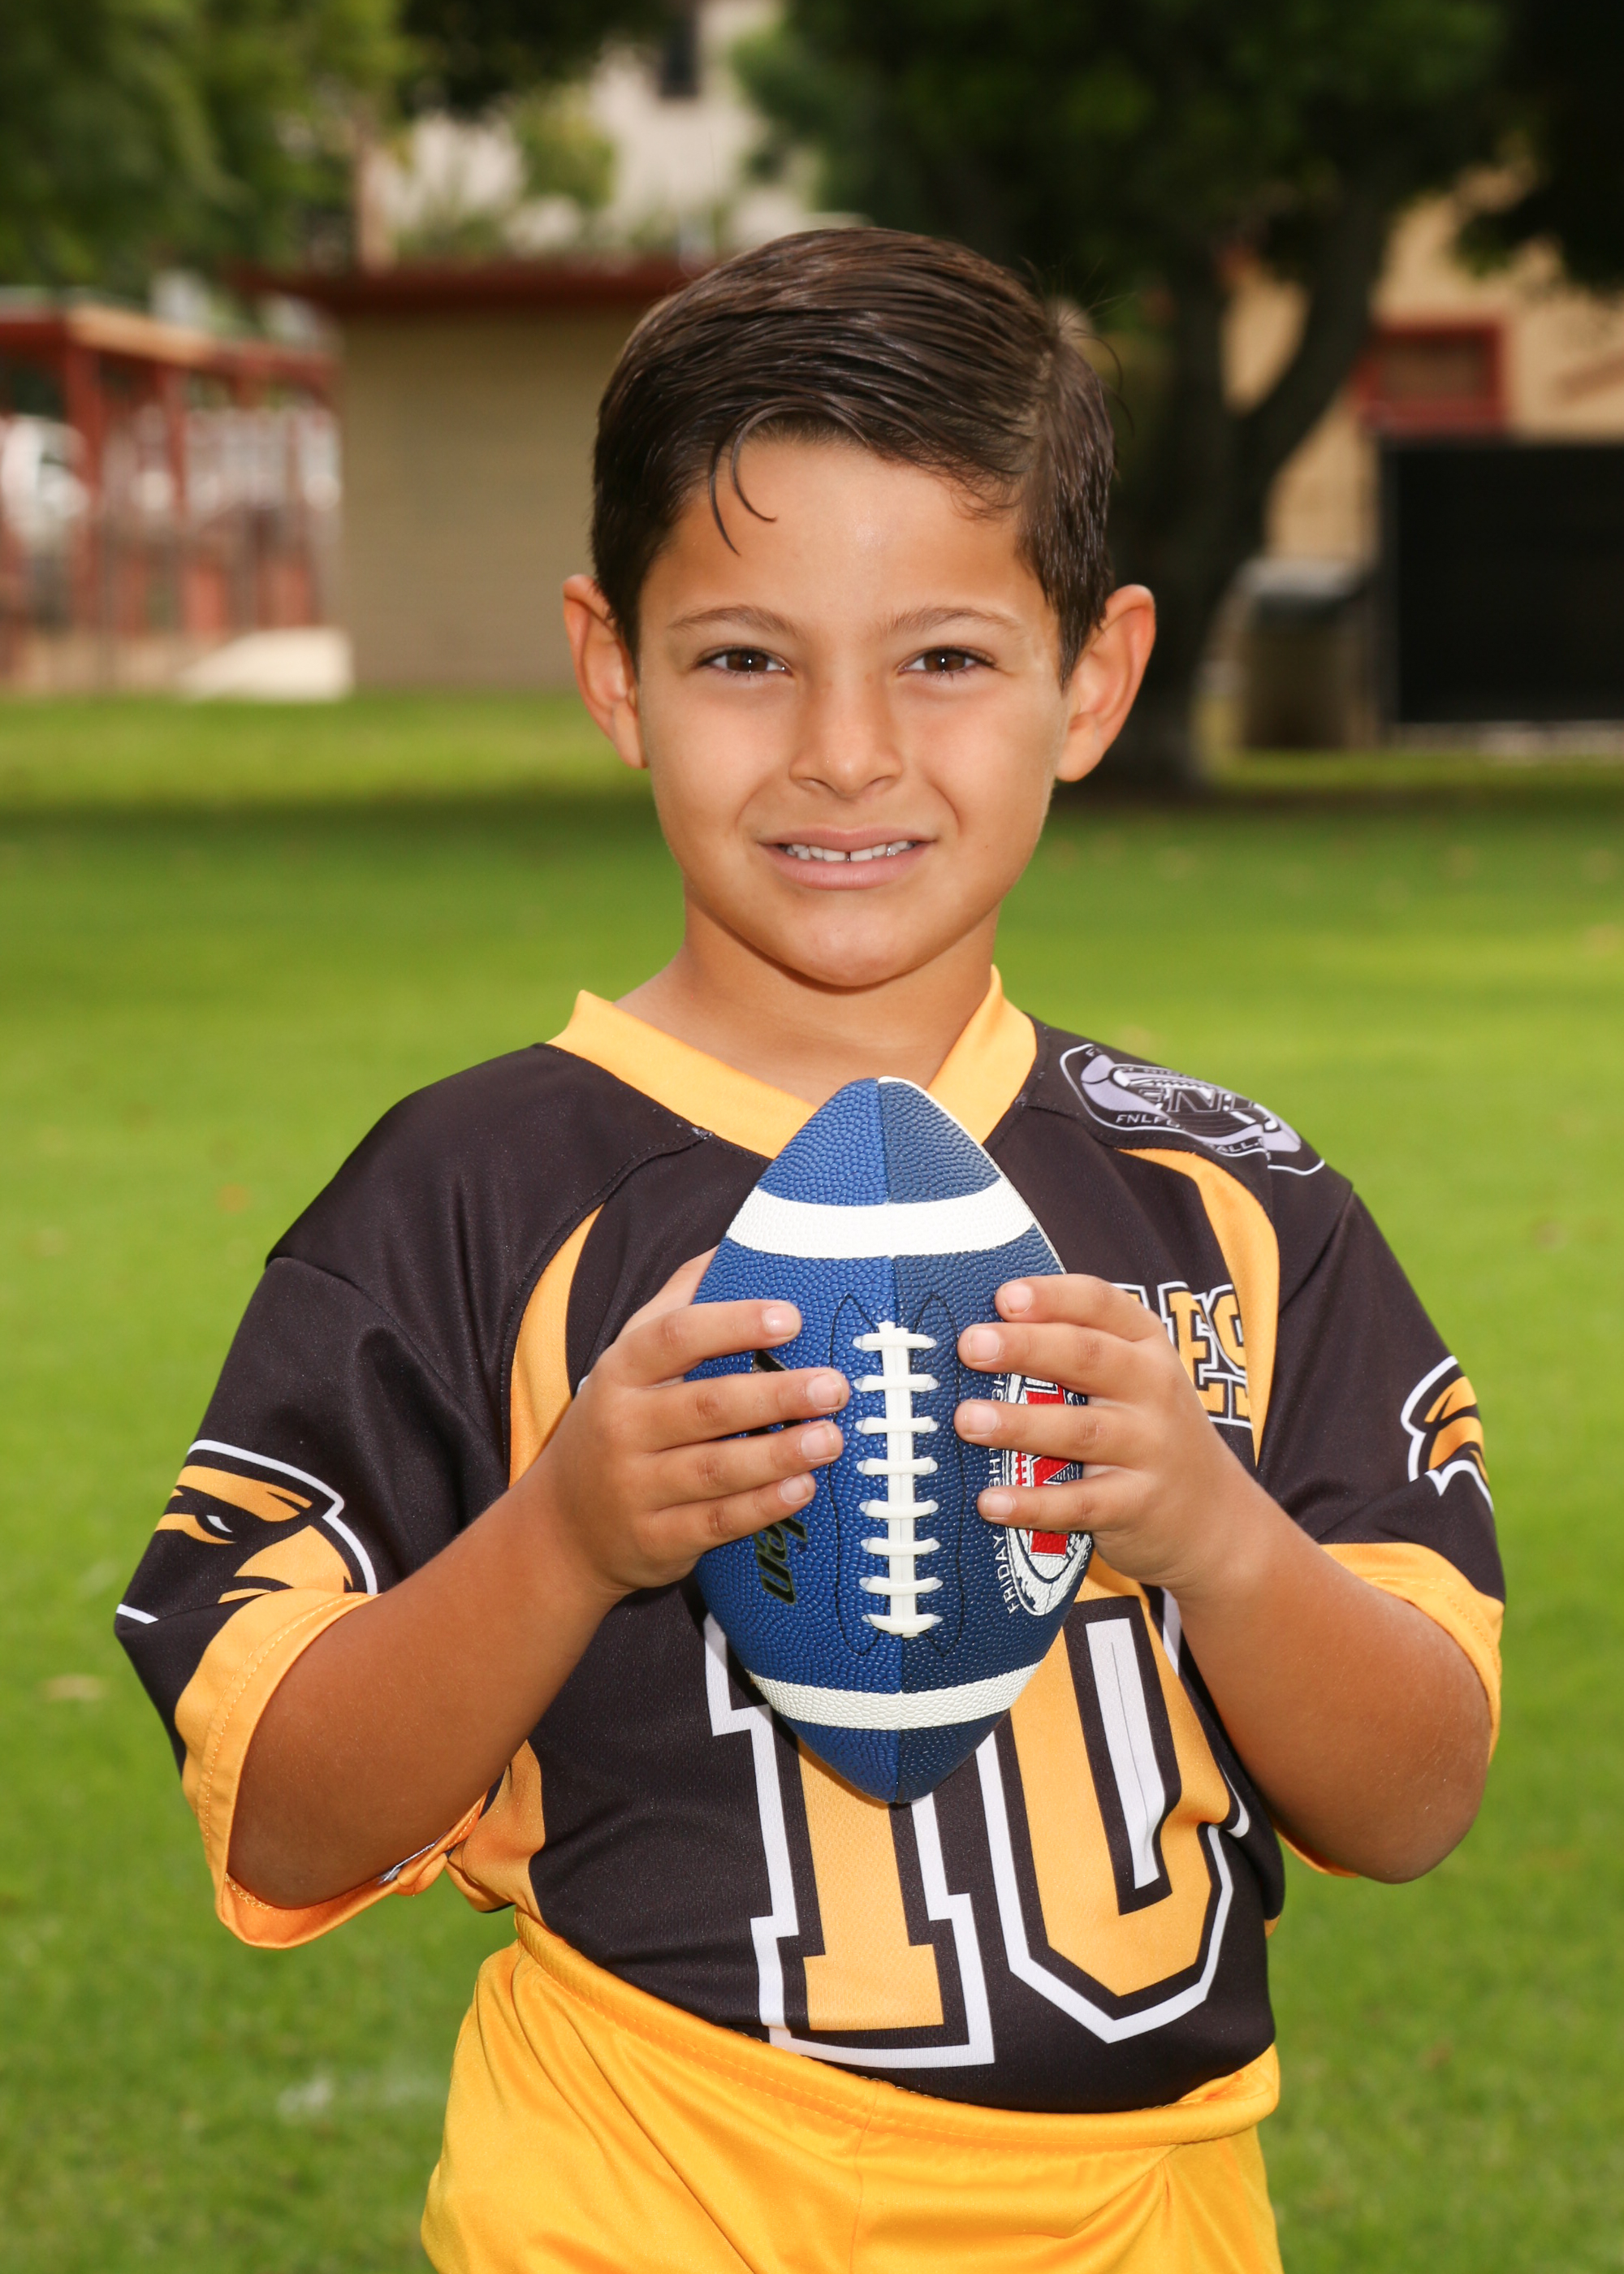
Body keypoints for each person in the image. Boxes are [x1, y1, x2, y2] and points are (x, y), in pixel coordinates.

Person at [118, 230, 1501, 2273]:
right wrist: (566, 1531)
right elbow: (284, 1818)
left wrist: (1213, 1531)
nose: (845, 750)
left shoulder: (1227, 1196)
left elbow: (1415, 1796)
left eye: (943, 657)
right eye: (745, 658)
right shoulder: (468, 1191)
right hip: (651, 2201)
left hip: (1151, 2220)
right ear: (614, 668)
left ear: (1094, 677)